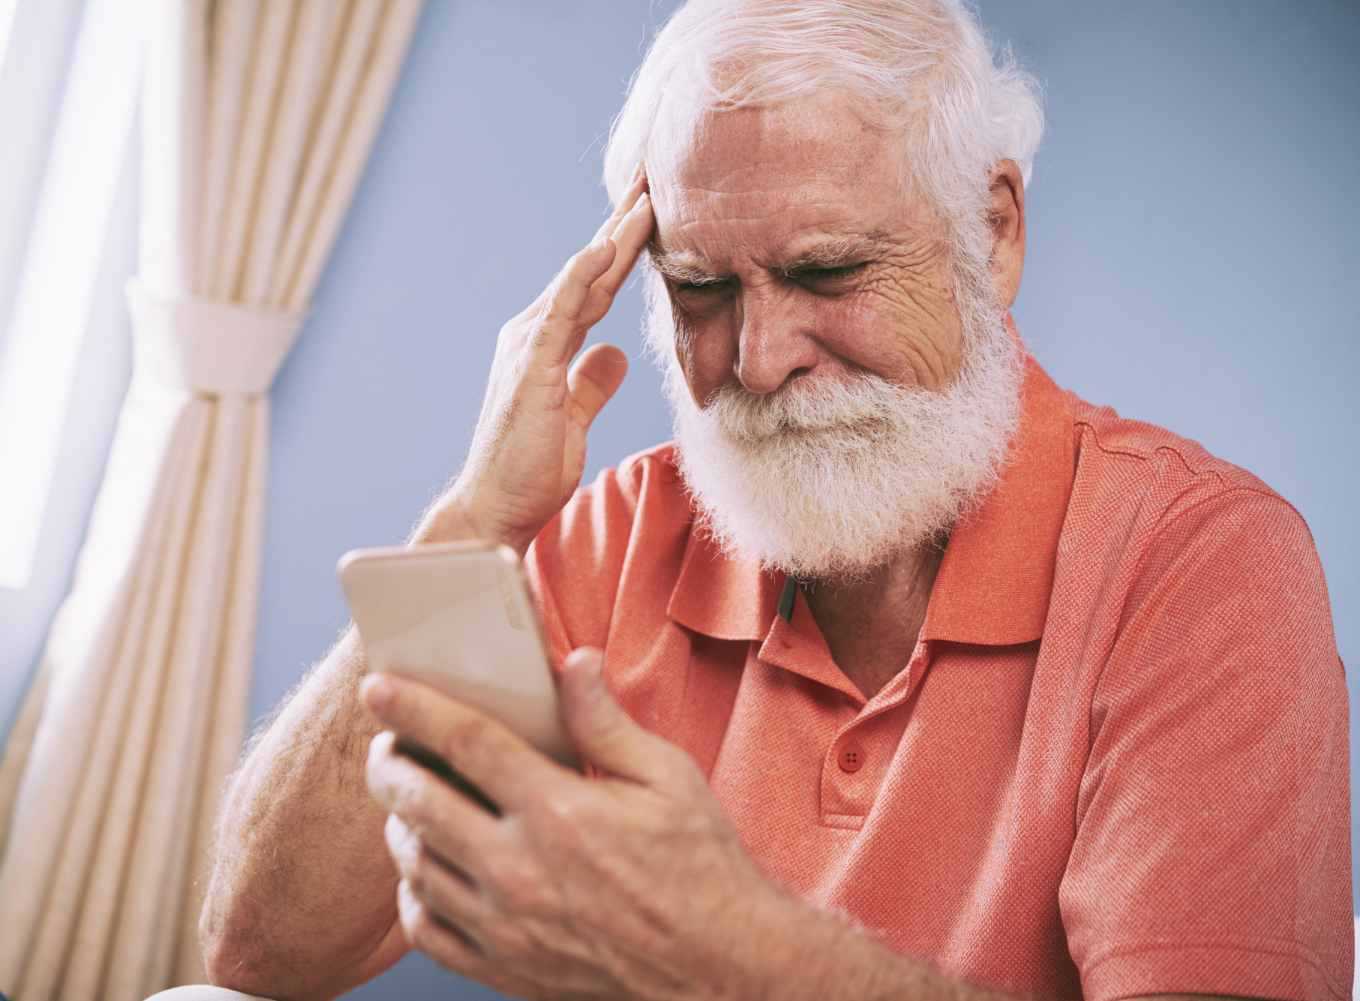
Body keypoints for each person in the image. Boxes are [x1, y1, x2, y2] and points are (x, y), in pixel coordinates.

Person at [198, 1, 1352, 999]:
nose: (756, 360)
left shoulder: (1203, 564)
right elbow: (259, 952)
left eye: (826, 272)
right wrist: (473, 523)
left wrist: (724, 947)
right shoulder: (618, 531)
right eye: (699, 288)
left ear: (993, 233)